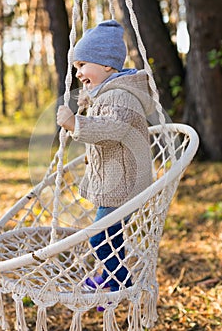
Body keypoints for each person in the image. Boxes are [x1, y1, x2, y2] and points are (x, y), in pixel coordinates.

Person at [57, 20, 155, 297]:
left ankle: (117, 281)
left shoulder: (120, 95)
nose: (78, 73)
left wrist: (75, 123)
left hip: (124, 185)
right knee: (110, 235)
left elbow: (114, 128)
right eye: (76, 67)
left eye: (82, 65)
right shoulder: (106, 93)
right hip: (118, 181)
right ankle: (112, 277)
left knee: (101, 235)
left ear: (107, 66)